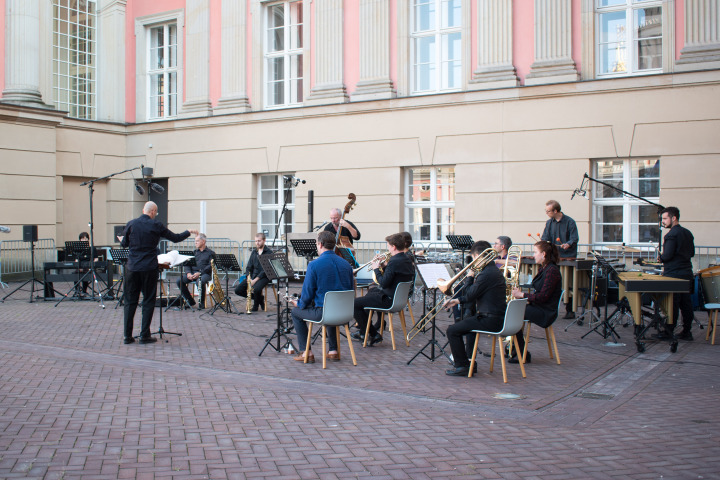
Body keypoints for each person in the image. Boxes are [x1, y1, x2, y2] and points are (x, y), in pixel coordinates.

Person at [120, 201, 198, 345]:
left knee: (130, 301)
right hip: (149, 268)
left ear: (144, 209)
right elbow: (175, 238)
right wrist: (189, 231)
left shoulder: (131, 224)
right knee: (148, 300)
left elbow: (124, 244)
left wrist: (123, 239)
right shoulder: (156, 225)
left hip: (132, 268)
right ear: (153, 212)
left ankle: (127, 336)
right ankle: (144, 335)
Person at [288, 231, 354, 363]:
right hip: (345, 313)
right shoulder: (346, 264)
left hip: (324, 313)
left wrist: (299, 304)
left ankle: (307, 352)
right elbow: (350, 289)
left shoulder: (314, 265)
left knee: (296, 313)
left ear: (320, 244)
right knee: (330, 306)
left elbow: (307, 294)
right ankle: (333, 350)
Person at [443, 241, 507, 376]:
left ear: (478, 256)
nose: (472, 261)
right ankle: (470, 362)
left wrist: (470, 277)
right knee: (467, 326)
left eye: (473, 258)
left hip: (491, 320)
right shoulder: (492, 270)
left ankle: (462, 366)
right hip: (496, 316)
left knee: (452, 330)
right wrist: (457, 300)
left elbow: (469, 294)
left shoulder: (486, 274)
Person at [352, 233, 414, 346]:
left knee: (354, 304)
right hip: (398, 298)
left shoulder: (394, 261)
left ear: (394, 246)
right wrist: (384, 266)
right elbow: (393, 277)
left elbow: (384, 283)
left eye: (388, 246)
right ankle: (364, 331)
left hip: (388, 299)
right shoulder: (406, 259)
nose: (388, 249)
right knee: (371, 291)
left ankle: (372, 333)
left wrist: (376, 269)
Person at [510, 241, 563, 363]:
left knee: (514, 313)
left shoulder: (552, 271)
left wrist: (522, 295)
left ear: (543, 254)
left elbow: (543, 296)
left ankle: (521, 352)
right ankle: (516, 349)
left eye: (535, 252)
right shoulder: (544, 268)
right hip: (540, 307)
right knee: (513, 309)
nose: (533, 255)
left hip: (546, 312)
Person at [658, 206, 695, 341]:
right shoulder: (688, 233)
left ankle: (669, 331)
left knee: (672, 304)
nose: (663, 221)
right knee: (686, 304)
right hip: (687, 273)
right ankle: (687, 331)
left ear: (674, 218)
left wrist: (661, 258)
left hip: (674, 274)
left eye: (665, 218)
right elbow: (692, 253)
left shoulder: (671, 235)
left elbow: (667, 256)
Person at [541, 200, 578, 319]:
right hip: (553, 257)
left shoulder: (569, 222)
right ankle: (549, 307)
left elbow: (574, 238)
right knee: (550, 283)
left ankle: (570, 310)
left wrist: (568, 244)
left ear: (555, 211)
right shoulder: (549, 223)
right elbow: (545, 238)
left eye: (548, 211)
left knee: (569, 284)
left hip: (567, 257)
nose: (546, 213)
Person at [234, 233, 273, 311]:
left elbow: (265, 270)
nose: (257, 243)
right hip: (253, 275)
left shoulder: (269, 253)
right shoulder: (254, 252)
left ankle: (255, 306)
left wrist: (255, 280)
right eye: (256, 241)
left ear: (264, 241)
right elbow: (249, 267)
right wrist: (249, 278)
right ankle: (259, 299)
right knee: (238, 290)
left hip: (265, 276)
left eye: (259, 241)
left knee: (256, 289)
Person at [176, 233, 215, 309]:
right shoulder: (194, 252)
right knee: (179, 281)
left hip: (205, 274)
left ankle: (202, 303)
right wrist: (188, 273)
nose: (195, 243)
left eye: (197, 241)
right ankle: (190, 300)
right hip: (192, 273)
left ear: (203, 241)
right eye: (195, 241)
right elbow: (187, 264)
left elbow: (210, 266)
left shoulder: (210, 253)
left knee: (199, 281)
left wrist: (200, 273)